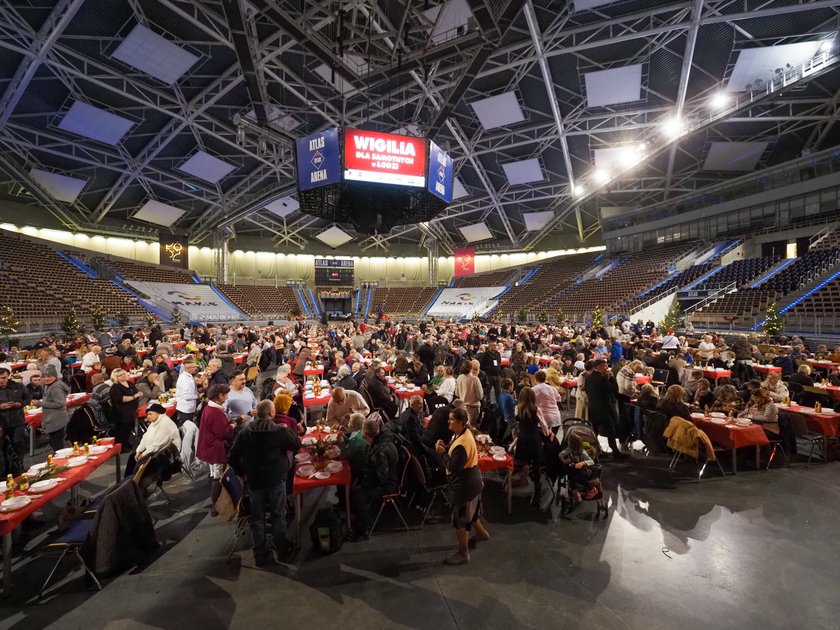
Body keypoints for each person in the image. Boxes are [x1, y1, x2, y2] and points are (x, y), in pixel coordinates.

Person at [229, 399, 301, 565]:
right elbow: (296, 444)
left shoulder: (245, 433)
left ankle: (259, 553)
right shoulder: (278, 431)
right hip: (276, 479)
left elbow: (232, 456)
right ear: (271, 413)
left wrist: (242, 473)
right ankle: (282, 549)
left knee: (257, 517)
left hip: (254, 481)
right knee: (278, 514)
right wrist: (287, 432)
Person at [435, 407, 490, 565]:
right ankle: (482, 534)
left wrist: (441, 453)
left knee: (461, 521)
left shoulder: (462, 443)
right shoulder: (464, 433)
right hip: (474, 481)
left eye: (451, 419)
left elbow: (453, 467)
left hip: (465, 485)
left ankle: (463, 553)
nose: (448, 421)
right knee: (471, 513)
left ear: (460, 422)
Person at [349, 416, 400, 540]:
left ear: (364, 433)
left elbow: (381, 477)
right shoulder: (379, 442)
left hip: (387, 485)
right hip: (382, 479)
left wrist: (364, 484)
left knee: (357, 496)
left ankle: (365, 527)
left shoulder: (380, 450)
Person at [197, 384, 234, 516]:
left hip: (209, 448)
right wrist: (235, 424)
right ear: (220, 396)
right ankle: (215, 506)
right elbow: (223, 433)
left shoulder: (209, 408)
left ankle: (215, 504)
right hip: (214, 449)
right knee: (217, 478)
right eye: (226, 394)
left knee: (214, 475)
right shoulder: (215, 412)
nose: (227, 397)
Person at [513, 387, 549, 505]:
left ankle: (524, 478)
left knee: (525, 460)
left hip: (523, 439)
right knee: (536, 463)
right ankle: (537, 487)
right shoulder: (536, 409)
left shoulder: (518, 409)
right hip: (534, 439)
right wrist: (547, 433)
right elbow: (543, 425)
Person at [584, 359, 626, 459]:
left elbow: (586, 390)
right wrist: (612, 378)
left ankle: (596, 451)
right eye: (605, 366)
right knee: (611, 430)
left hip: (592, 408)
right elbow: (614, 390)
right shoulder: (601, 378)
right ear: (598, 367)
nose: (606, 368)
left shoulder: (588, 377)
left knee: (595, 431)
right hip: (603, 409)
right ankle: (615, 452)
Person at [0, 367, 30, 461]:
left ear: (8, 376)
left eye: (4, 378)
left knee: (18, 444)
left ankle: (20, 468)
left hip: (17, 421)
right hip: (1, 423)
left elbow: (28, 398)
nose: (1, 380)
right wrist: (0, 407)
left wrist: (20, 404)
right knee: (3, 448)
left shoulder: (19, 386)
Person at [38, 366, 70, 452]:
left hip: (57, 419)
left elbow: (59, 403)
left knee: (57, 444)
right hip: (52, 419)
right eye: (44, 377)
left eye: (49, 376)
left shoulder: (56, 388)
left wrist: (40, 403)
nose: (46, 379)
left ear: (55, 377)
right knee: (54, 443)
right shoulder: (48, 386)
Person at [109, 368, 141, 453]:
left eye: (124, 374)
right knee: (122, 430)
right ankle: (121, 448)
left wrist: (136, 395)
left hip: (131, 410)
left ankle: (127, 444)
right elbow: (121, 399)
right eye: (120, 375)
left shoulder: (130, 383)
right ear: (116, 377)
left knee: (129, 428)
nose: (123, 375)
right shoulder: (115, 388)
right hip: (121, 412)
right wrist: (134, 396)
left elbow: (136, 392)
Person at [338, 412, 369, 479]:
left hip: (357, 467)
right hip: (357, 458)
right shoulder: (358, 432)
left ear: (354, 425)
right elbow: (351, 442)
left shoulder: (357, 438)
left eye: (349, 422)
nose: (348, 424)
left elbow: (345, 456)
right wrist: (344, 436)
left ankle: (342, 486)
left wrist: (341, 442)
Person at [175, 358, 202, 427]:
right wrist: (197, 396)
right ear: (188, 368)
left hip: (188, 408)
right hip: (185, 409)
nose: (196, 368)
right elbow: (186, 396)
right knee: (186, 430)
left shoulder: (188, 376)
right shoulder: (184, 379)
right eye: (194, 367)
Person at [455, 360, 483, 426]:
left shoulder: (459, 377)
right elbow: (480, 396)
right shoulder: (475, 379)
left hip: (462, 407)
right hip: (472, 409)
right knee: (470, 429)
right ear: (471, 368)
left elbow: (457, 393)